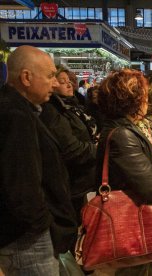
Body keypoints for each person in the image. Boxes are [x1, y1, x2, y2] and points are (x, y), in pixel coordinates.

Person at [96, 69, 152, 275]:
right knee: (135, 265)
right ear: (132, 100)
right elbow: (148, 184)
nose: (146, 101)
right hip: (131, 220)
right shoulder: (123, 134)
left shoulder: (127, 127)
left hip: (138, 217)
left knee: (144, 262)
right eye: (142, 95)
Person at [0, 46, 77, 275]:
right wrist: (45, 226)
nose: (54, 84)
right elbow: (21, 188)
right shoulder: (16, 116)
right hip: (28, 242)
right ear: (26, 77)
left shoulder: (23, 111)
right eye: (50, 76)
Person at [40, 66, 97, 223]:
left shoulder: (74, 107)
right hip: (75, 183)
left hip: (85, 179)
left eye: (69, 81)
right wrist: (97, 148)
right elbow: (71, 149)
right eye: (62, 81)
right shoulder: (52, 111)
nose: (68, 84)